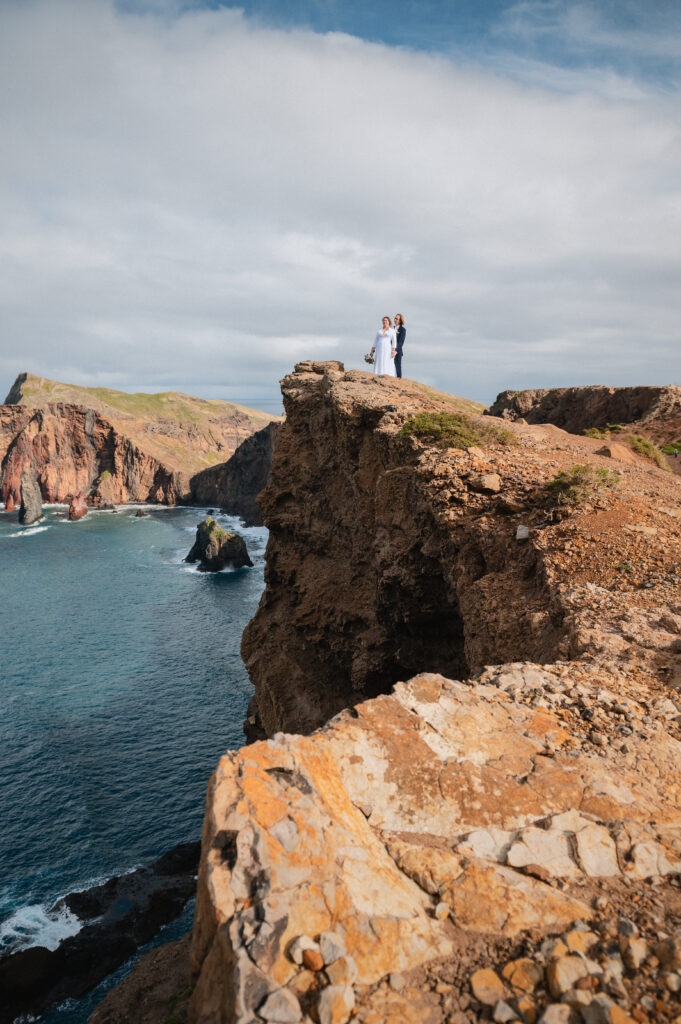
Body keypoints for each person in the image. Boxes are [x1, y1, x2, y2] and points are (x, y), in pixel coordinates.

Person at [393, 314, 406, 378]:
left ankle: (399, 380)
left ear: (400, 321)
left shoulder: (403, 330)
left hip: (398, 351)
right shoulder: (391, 329)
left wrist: (396, 351)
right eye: (395, 318)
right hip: (390, 350)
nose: (395, 320)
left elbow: (401, 342)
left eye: (397, 319)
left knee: (397, 366)